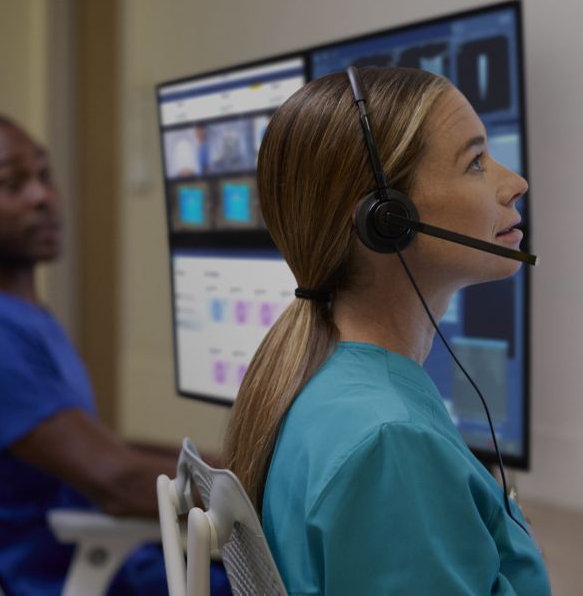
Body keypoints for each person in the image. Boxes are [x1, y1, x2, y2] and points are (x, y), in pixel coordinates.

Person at [225, 67, 549, 595]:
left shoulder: (326, 377)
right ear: (386, 218)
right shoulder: (390, 442)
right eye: (475, 162)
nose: (514, 183)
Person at [0, 114, 228, 595]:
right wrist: (266, 493)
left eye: (44, 175)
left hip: (71, 559)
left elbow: (100, 449)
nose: (43, 196)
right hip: (48, 577)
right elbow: (116, 482)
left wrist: (228, 466)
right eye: (13, 184)